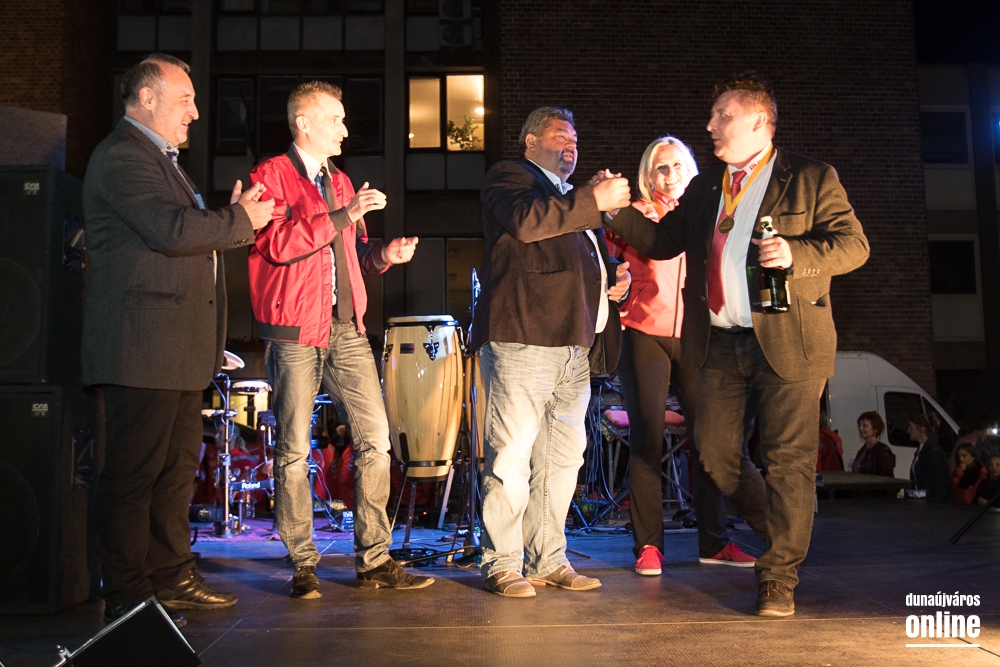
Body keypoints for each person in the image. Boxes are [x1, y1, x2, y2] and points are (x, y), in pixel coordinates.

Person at [603, 72, 870, 617]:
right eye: (712, 115)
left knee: (787, 458)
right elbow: (660, 241)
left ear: (758, 121)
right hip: (720, 342)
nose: (710, 125)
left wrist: (796, 254)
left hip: (790, 338)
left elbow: (854, 246)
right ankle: (782, 529)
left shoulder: (810, 177)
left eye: (722, 115)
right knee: (716, 453)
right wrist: (614, 209)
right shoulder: (707, 188)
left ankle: (778, 576)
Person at [83, 53, 274, 622]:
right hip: (141, 348)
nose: (194, 112)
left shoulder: (159, 160)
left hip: (175, 349)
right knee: (133, 476)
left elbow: (183, 239)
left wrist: (231, 219)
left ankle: (171, 577)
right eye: (185, 99)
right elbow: (171, 231)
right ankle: (128, 596)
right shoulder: (123, 155)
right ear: (146, 98)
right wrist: (240, 220)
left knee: (172, 475)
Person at [248, 81, 431, 599]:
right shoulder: (271, 175)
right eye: (336, 119)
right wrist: (344, 215)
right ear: (304, 123)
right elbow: (278, 244)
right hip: (294, 330)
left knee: (376, 439)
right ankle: (302, 563)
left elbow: (354, 255)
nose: (345, 130)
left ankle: (374, 560)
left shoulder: (342, 181)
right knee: (293, 448)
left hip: (346, 330)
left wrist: (384, 256)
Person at [472, 106, 632, 598]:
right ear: (531, 142)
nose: (572, 145)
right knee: (511, 457)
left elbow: (575, 258)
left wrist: (612, 277)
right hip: (523, 336)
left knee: (562, 461)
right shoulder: (510, 178)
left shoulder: (569, 198)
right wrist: (592, 200)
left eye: (575, 138)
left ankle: (547, 559)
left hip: (573, 344)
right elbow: (527, 224)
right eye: (561, 135)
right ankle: (502, 563)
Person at [602, 136, 755, 576]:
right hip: (643, 334)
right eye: (661, 168)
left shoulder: (710, 213)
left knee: (709, 441)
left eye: (677, 166)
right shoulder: (632, 216)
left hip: (697, 337)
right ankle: (649, 545)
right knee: (647, 439)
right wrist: (617, 281)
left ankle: (715, 542)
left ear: (692, 171)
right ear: (648, 176)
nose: (670, 175)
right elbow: (608, 265)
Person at [907, 413, 949, 500]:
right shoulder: (921, 450)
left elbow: (938, 483)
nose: (908, 430)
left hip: (931, 503)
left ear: (921, 429)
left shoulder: (933, 452)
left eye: (911, 427)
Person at [851, 411, 895, 477]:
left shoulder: (882, 452)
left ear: (875, 429)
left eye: (865, 425)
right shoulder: (862, 451)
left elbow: (888, 479)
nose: (860, 428)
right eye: (859, 425)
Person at [817, 406, 844, 471]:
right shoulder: (835, 436)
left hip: (824, 474)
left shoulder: (820, 438)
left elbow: (816, 463)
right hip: (835, 474)